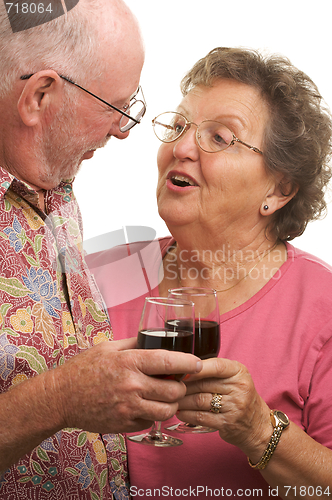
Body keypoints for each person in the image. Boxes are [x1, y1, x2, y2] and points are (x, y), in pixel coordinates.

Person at [88, 47, 332, 499]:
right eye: (179, 127)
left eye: (220, 138)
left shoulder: (322, 306)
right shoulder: (106, 266)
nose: (180, 148)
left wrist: (261, 431)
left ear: (278, 189)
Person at [0, 2, 202, 499]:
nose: (122, 130)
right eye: (115, 107)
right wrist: (59, 399)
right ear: (39, 96)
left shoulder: (56, 186)